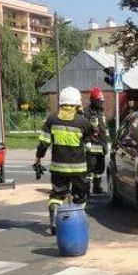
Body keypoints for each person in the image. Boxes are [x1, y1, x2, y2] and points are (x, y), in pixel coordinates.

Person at [34, 86, 93, 235]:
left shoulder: (52, 119)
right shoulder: (83, 121)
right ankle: (78, 221)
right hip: (78, 169)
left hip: (58, 168)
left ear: (61, 103)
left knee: (57, 195)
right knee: (80, 196)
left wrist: (38, 159)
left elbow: (44, 144)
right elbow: (89, 146)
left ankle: (54, 220)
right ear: (77, 103)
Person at [86, 87, 108, 194]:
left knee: (99, 170)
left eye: (102, 101)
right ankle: (86, 190)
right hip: (92, 147)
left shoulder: (101, 112)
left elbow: (103, 128)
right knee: (90, 170)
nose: (101, 102)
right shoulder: (87, 112)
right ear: (94, 100)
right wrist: (87, 141)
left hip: (101, 145)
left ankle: (96, 187)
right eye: (99, 101)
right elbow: (84, 128)